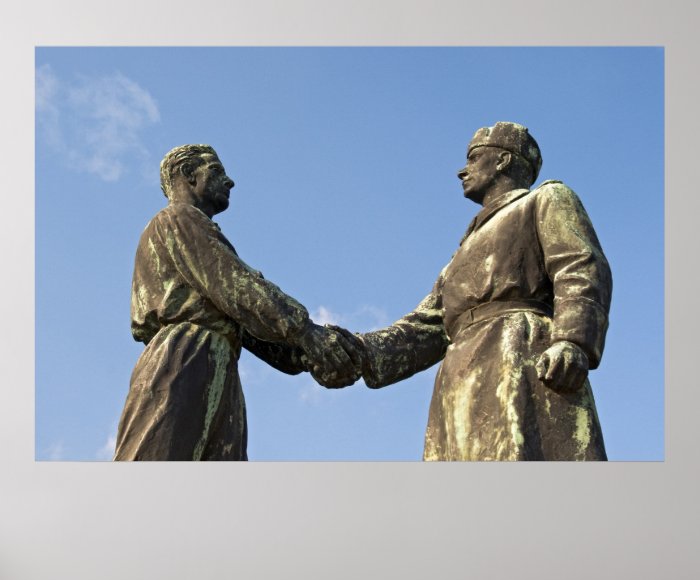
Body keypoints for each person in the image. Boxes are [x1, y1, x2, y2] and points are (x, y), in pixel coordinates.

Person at [354, 122, 612, 460]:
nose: (463, 170)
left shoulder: (543, 200)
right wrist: (353, 351)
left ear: (504, 160)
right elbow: (423, 327)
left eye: (474, 158)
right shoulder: (460, 253)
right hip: (459, 378)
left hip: (518, 354)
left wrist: (572, 340)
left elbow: (579, 265)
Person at [114, 144, 362, 461]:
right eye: (216, 170)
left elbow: (244, 321)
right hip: (184, 356)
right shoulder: (178, 218)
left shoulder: (189, 228)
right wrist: (306, 333)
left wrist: (305, 356)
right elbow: (235, 284)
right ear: (189, 175)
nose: (230, 181)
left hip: (216, 358)